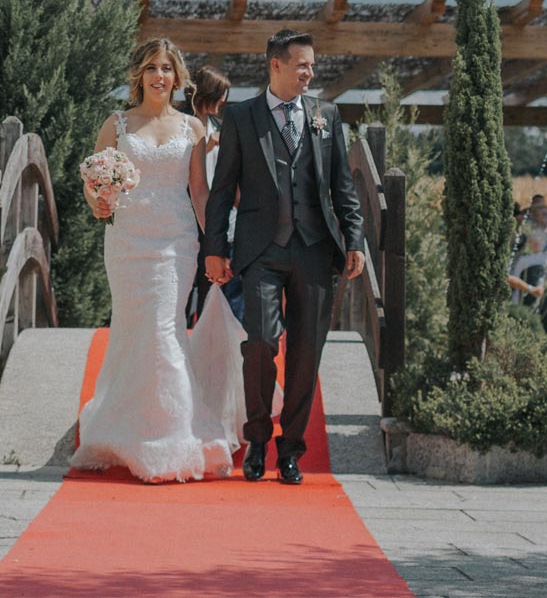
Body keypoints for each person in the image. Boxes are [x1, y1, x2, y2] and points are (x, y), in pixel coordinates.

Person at [204, 28, 365, 486]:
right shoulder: (241, 116)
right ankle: (257, 439)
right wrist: (215, 249)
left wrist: (355, 240)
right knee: (259, 342)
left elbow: (343, 188)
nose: (310, 72)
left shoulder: (326, 115)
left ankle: (290, 450)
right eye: (302, 65)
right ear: (276, 65)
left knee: (306, 353)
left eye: (312, 65)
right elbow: (221, 191)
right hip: (260, 251)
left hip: (315, 252)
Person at [70, 38, 234, 483]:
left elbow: (199, 192)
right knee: (131, 332)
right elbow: (92, 180)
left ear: (178, 77)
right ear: (139, 76)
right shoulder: (117, 123)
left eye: (166, 68)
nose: (159, 76)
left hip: (176, 243)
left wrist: (215, 243)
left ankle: (170, 442)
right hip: (126, 243)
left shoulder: (192, 129)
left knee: (165, 331)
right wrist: (97, 202)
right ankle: (120, 432)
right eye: (150, 68)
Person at [184, 64, 244, 324]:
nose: (224, 100)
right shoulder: (182, 124)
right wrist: (208, 146)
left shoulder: (221, 126)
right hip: (187, 215)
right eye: (221, 93)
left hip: (217, 218)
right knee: (185, 288)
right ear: (207, 92)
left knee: (213, 289)